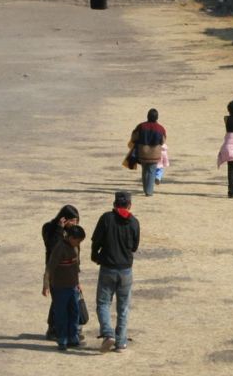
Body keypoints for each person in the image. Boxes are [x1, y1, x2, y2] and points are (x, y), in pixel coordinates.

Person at [92, 192, 139, 353]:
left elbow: (96, 240)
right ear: (129, 205)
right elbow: (134, 247)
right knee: (123, 307)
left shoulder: (106, 218)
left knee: (103, 303)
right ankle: (121, 342)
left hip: (107, 268)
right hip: (126, 270)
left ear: (114, 204)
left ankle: (107, 333)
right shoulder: (134, 222)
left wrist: (95, 256)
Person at [44, 224, 86, 351]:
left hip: (73, 286)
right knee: (62, 314)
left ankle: (73, 337)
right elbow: (50, 268)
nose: (78, 243)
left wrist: (78, 282)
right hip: (59, 287)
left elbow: (76, 266)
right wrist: (45, 285)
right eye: (77, 240)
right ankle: (62, 339)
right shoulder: (59, 248)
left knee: (74, 312)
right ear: (70, 237)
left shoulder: (76, 247)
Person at [42, 205, 80, 340]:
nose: (74, 224)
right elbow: (52, 246)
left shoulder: (73, 232)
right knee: (59, 301)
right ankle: (54, 330)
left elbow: (76, 252)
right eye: (72, 220)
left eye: (76, 221)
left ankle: (67, 330)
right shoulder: (49, 228)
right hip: (55, 272)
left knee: (68, 302)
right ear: (63, 219)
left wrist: (77, 276)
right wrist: (59, 229)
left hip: (70, 272)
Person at [131, 109, 166, 197]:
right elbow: (163, 141)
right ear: (157, 117)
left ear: (148, 116)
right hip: (155, 154)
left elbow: (134, 137)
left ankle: (145, 189)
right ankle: (149, 191)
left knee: (144, 171)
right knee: (151, 171)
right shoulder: (160, 128)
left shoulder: (141, 126)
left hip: (143, 152)